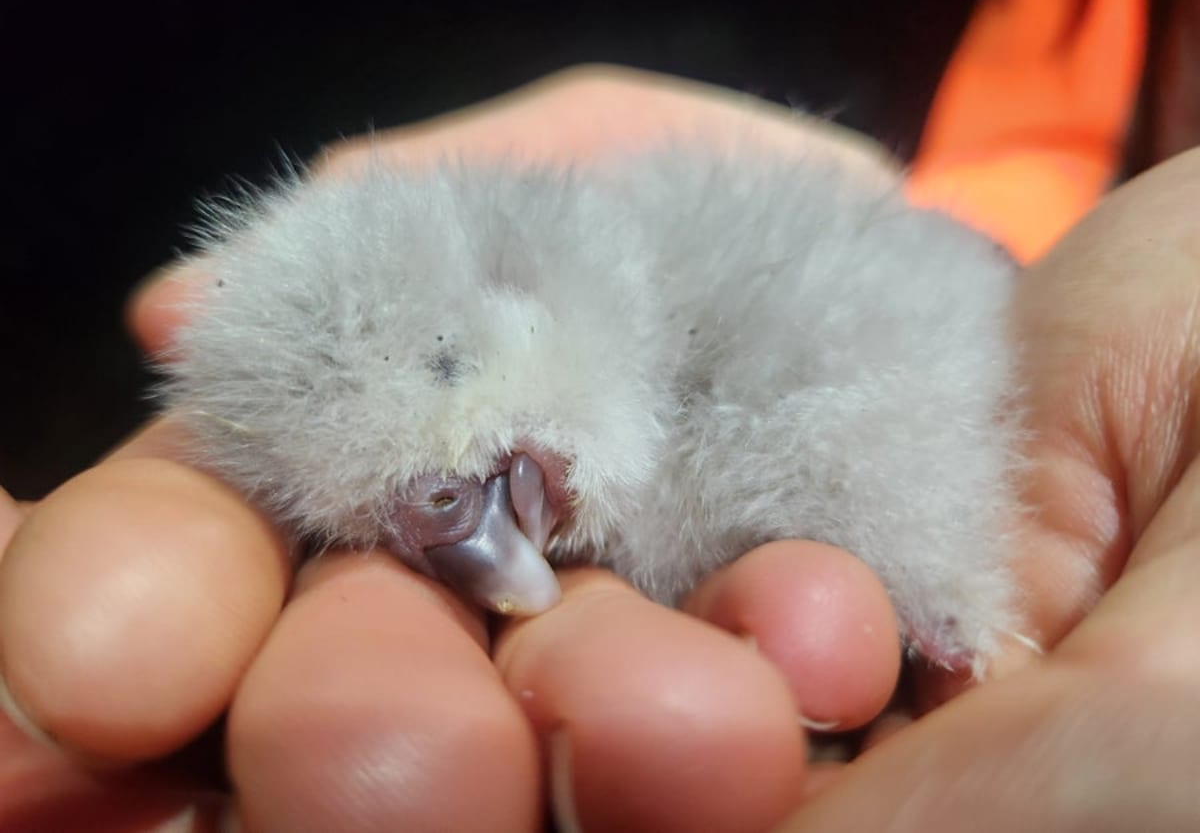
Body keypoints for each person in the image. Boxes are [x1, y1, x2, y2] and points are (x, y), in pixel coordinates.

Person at [1, 66, 1197, 832]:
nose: (484, 546)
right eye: (413, 524)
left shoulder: (746, 296)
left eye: (453, 478)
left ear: (525, 290)